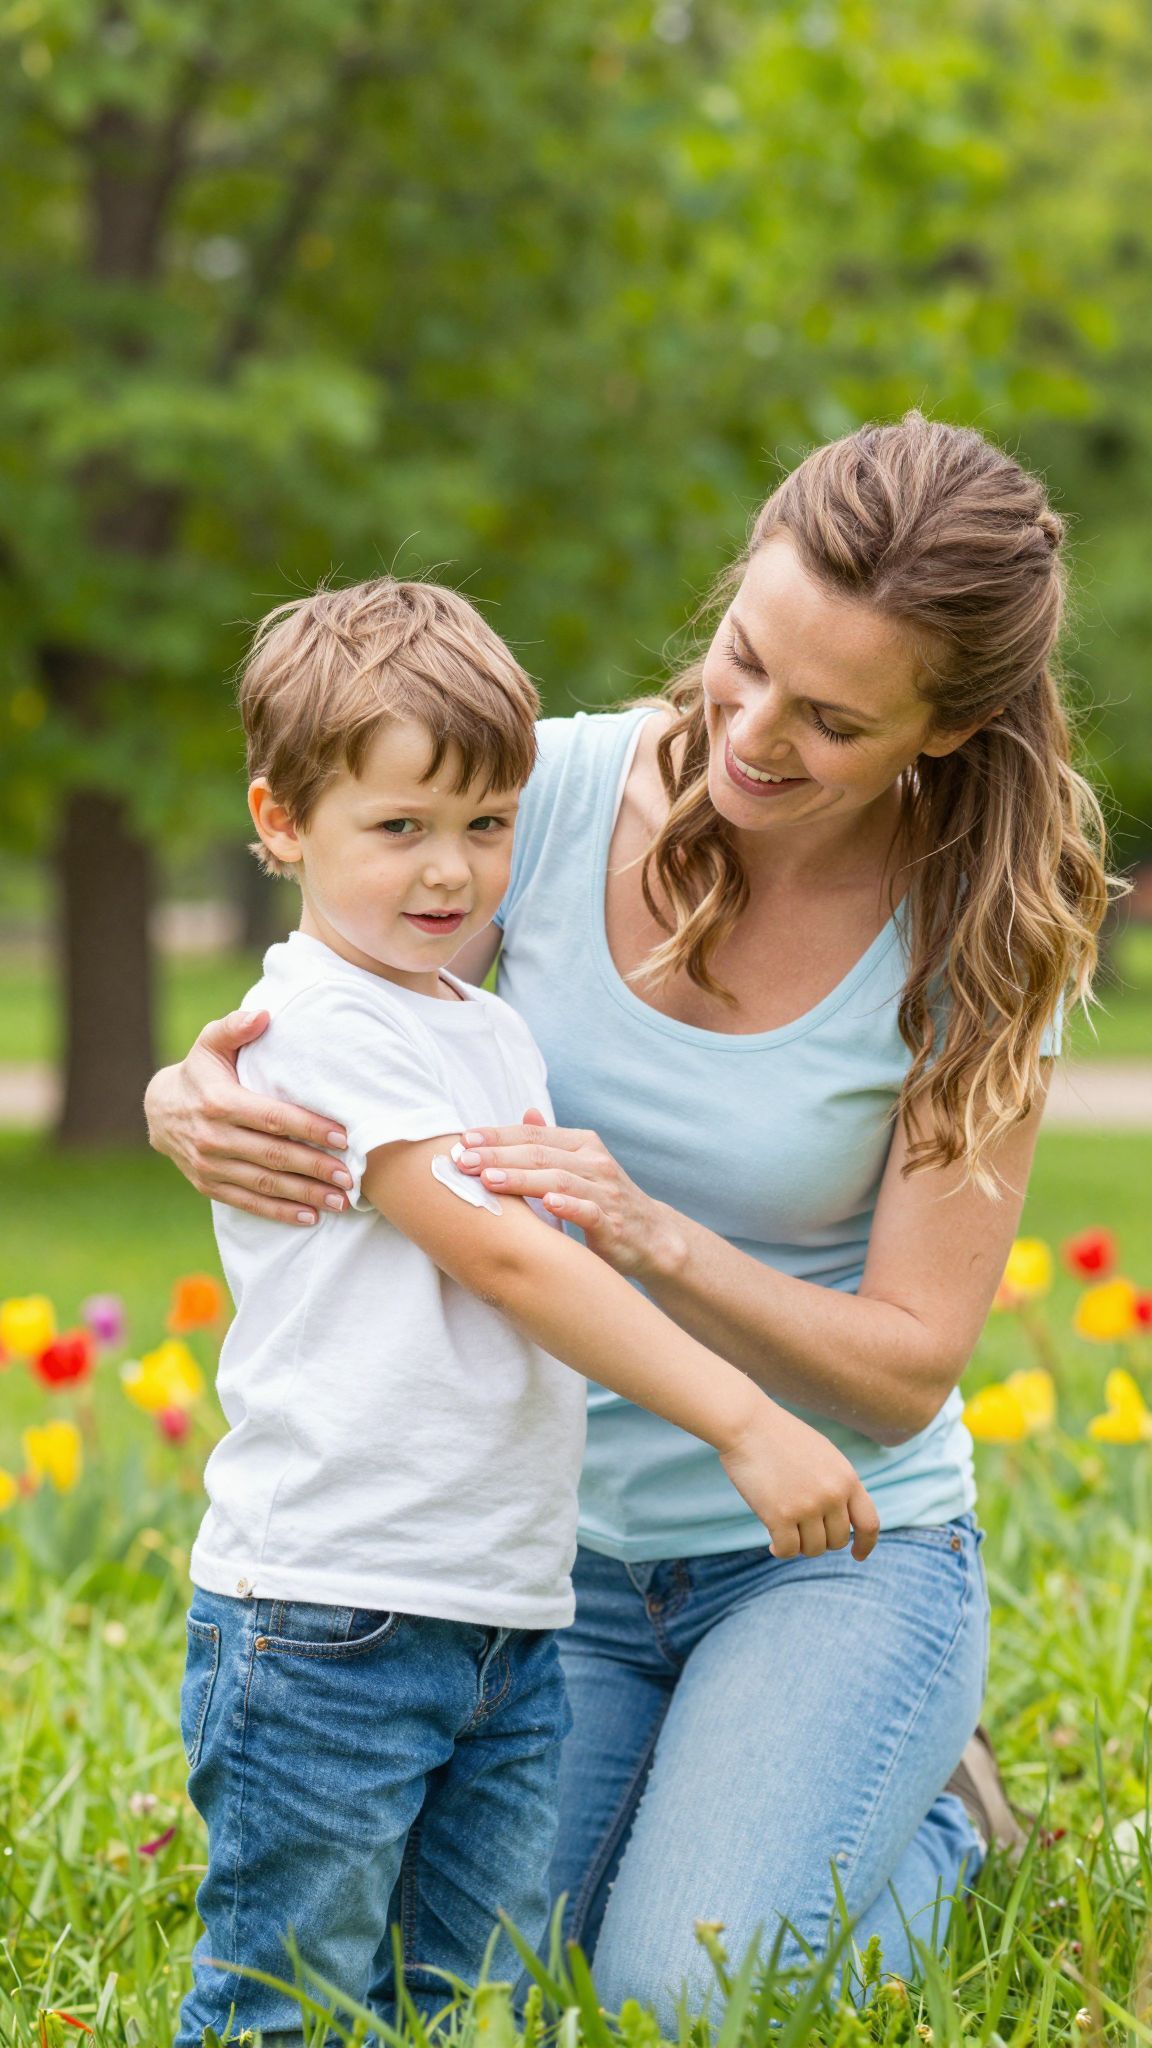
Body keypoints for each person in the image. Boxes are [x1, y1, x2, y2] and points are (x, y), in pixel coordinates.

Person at [149, 415, 1111, 2020]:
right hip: (542, 1574)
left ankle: (936, 1824)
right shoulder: (544, 795)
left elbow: (905, 1370)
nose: (751, 730)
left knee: (677, 2001)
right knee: (487, 1982)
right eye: (746, 657)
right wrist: (196, 1094)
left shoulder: (986, 922)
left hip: (824, 1544)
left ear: (946, 732)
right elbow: (353, 975)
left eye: (833, 718)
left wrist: (652, 1235)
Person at [173, 576, 879, 2048]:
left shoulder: (480, 1026)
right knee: (287, 2002)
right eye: (399, 829)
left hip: (503, 1611)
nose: (450, 871)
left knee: (471, 2000)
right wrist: (744, 1418)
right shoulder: (323, 1023)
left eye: (487, 826)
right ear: (281, 820)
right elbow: (505, 1259)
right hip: (329, 1613)